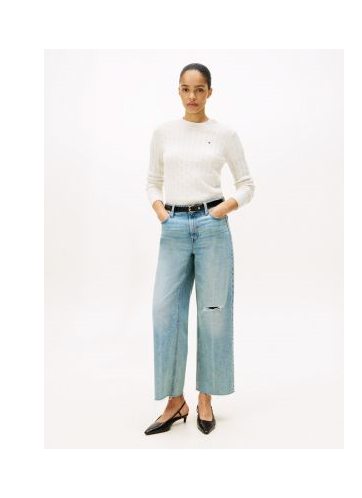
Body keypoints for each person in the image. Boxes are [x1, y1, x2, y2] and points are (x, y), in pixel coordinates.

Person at [144, 63, 255, 435]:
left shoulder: (224, 134)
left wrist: (222, 209)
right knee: (165, 312)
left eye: (199, 89)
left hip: (211, 227)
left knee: (213, 312)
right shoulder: (163, 132)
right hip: (173, 226)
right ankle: (175, 401)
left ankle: (206, 398)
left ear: (210, 91)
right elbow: (153, 181)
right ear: (178, 91)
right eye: (185, 89)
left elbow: (247, 184)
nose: (192, 96)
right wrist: (160, 211)